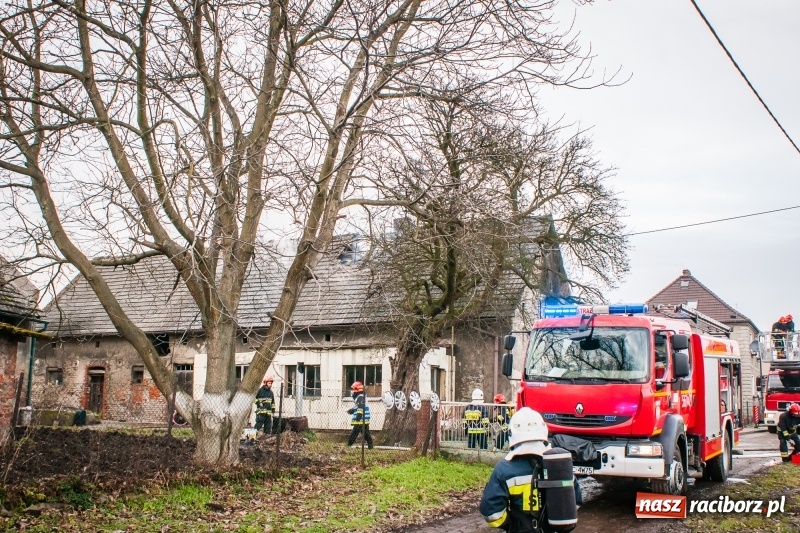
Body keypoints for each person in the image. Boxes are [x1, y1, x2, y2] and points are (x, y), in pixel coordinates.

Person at [480, 407, 578, 532]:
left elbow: (491, 513)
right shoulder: (560, 465)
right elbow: (575, 501)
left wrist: (511, 524)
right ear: (544, 431)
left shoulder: (504, 470)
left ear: (512, 434)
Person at [346, 381, 374, 449]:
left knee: (354, 433)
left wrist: (358, 416)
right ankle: (371, 446)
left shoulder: (360, 397)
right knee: (365, 433)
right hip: (364, 418)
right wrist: (352, 410)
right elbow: (358, 406)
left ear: (357, 390)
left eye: (354, 389)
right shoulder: (360, 396)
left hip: (361, 419)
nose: (352, 391)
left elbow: (361, 407)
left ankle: (348, 446)